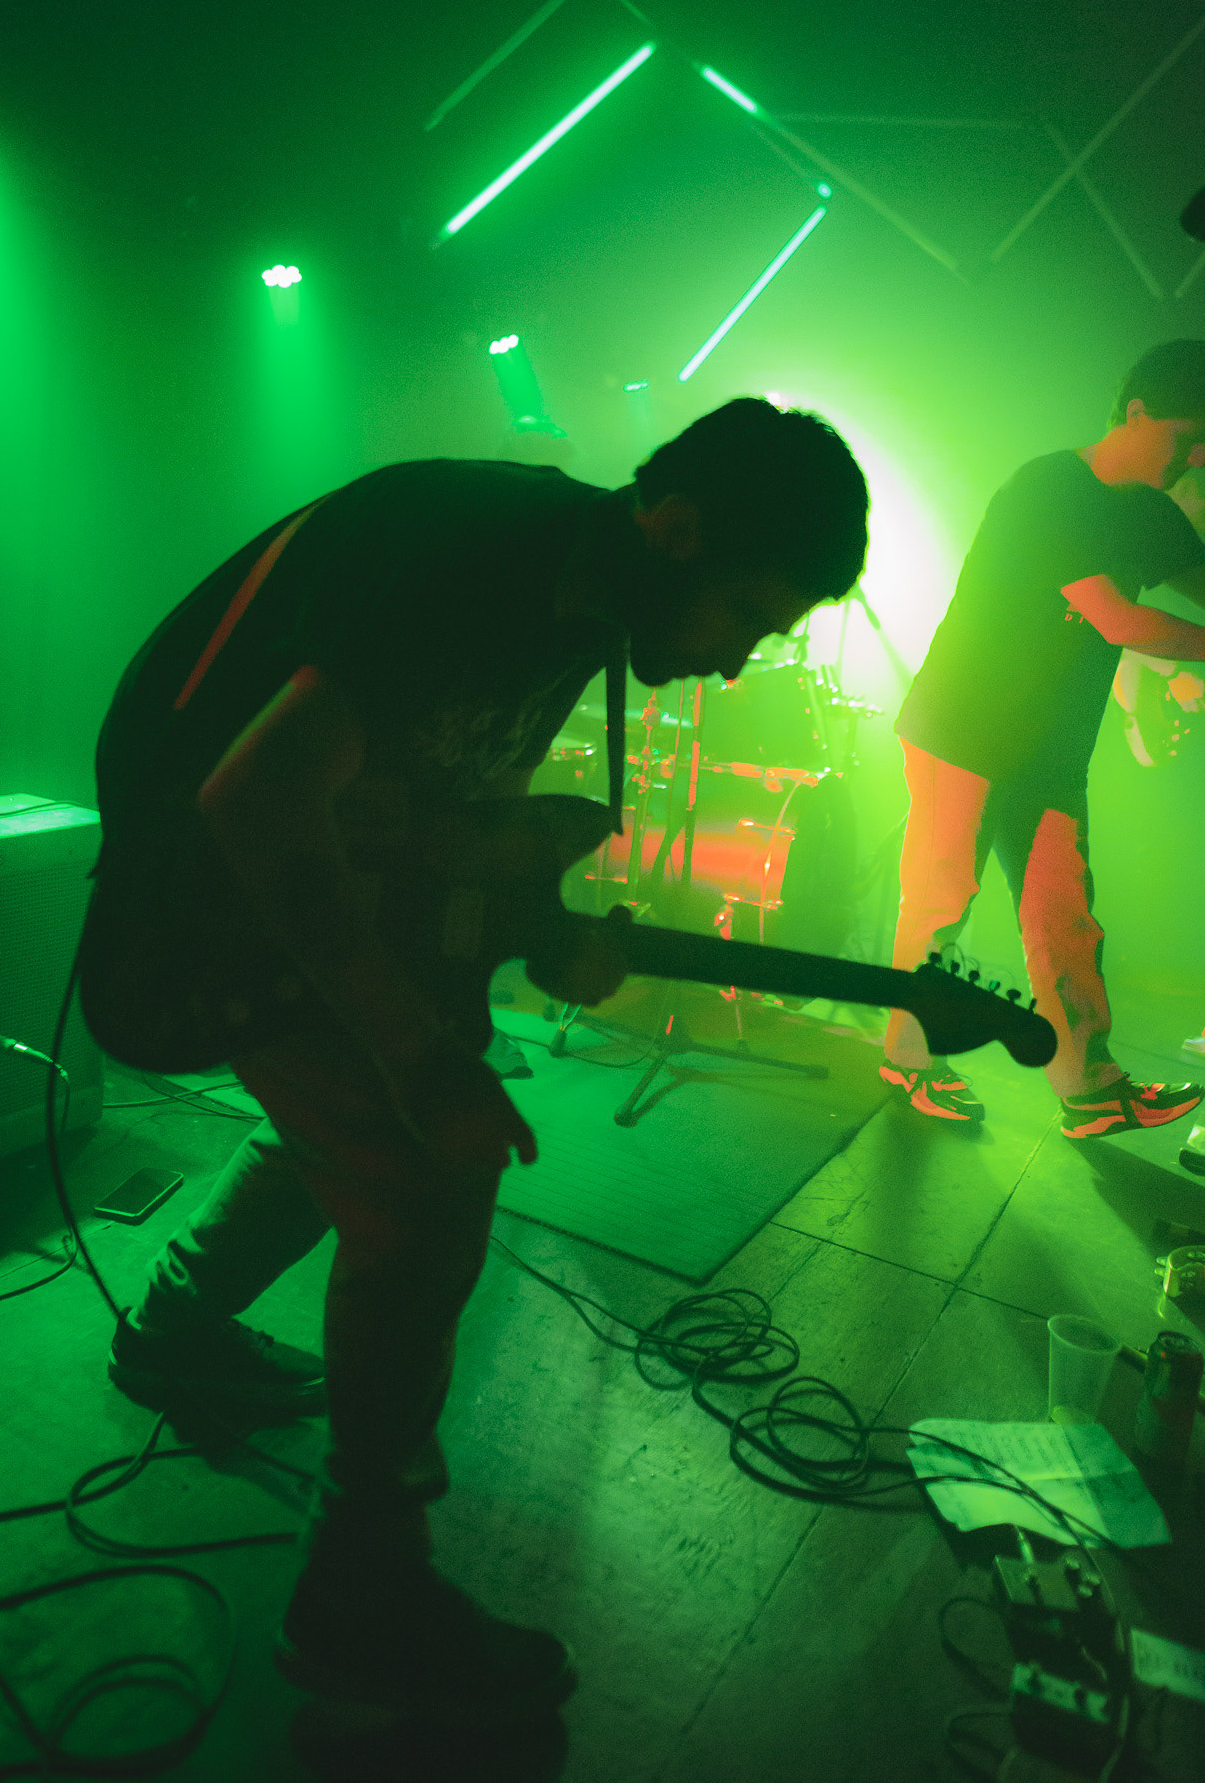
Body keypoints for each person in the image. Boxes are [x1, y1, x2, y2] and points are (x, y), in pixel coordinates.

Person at [77, 398, 869, 1721]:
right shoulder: (479, 568)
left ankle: (174, 1327)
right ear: (676, 529)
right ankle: (359, 1592)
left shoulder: (578, 599)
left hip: (268, 861)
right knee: (428, 1167)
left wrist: (537, 930)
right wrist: (417, 1056)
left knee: (376, 1101)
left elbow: (437, 807)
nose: (736, 663)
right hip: (196, 888)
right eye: (744, 614)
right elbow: (257, 795)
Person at [882, 341, 1205, 1132]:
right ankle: (907, 1059)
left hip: (1050, 750)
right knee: (940, 901)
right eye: (1187, 438)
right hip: (964, 728)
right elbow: (1116, 619)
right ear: (1137, 414)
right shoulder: (1052, 488)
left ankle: (1089, 1090)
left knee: (1065, 919)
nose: (1194, 458)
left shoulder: (1152, 515)